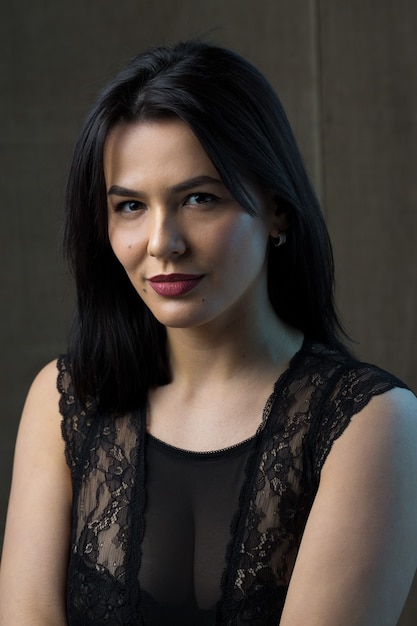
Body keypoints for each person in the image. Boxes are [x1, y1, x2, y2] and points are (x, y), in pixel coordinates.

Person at [0, 40, 416, 626]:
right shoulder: (65, 399)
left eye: (200, 199)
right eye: (129, 207)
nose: (162, 243)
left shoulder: (371, 423)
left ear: (277, 210)